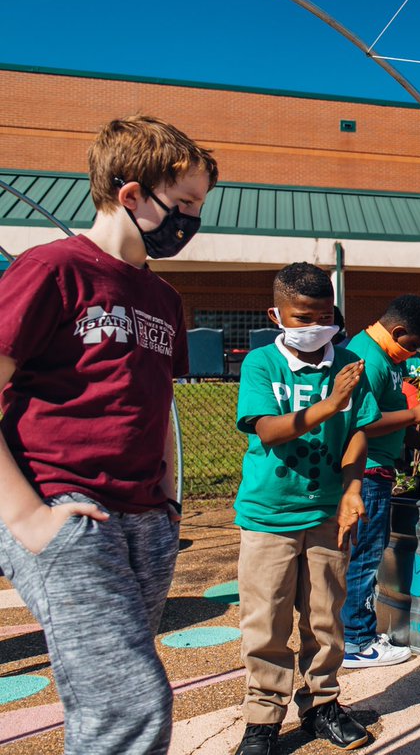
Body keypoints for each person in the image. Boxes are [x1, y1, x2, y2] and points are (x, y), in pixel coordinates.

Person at [0, 116, 215, 754]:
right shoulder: (52, 269)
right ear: (130, 195)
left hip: (146, 519)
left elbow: (158, 402)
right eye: (182, 205)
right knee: (130, 703)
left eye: (199, 207)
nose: (192, 220)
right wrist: (30, 517)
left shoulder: (163, 297)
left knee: (105, 696)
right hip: (65, 508)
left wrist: (170, 499)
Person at [233, 263, 381, 755]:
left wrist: (353, 490)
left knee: (325, 619)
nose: (315, 325)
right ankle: (262, 718)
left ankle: (321, 704)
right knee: (266, 621)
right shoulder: (261, 364)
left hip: (326, 515)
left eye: (325, 315)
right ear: (276, 314)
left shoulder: (351, 361)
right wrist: (329, 402)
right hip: (268, 517)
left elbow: (359, 429)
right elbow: (268, 430)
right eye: (302, 317)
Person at [342, 295, 420, 667]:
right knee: (365, 555)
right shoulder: (368, 359)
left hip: (378, 469)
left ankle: (354, 633)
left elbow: (396, 417)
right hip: (366, 471)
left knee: (366, 552)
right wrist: (417, 413)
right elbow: (363, 423)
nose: (414, 354)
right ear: (397, 331)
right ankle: (357, 642)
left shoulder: (383, 357)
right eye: (413, 345)